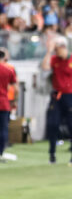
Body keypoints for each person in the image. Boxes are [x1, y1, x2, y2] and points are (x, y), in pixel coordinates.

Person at [42, 37, 72, 165]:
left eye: (56, 49)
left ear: (63, 47)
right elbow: (45, 67)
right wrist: (48, 52)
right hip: (57, 96)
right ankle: (52, 154)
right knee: (53, 124)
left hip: (70, 96)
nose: (56, 52)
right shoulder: (54, 59)